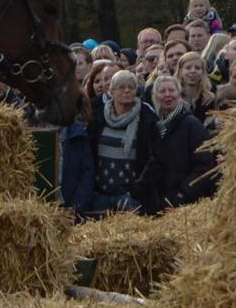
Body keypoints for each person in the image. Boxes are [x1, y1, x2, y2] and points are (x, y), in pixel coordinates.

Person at [133, 75, 217, 215]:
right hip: (157, 201)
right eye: (162, 91)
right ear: (155, 96)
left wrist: (183, 193)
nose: (167, 95)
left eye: (171, 90)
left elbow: (205, 164)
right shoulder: (153, 124)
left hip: (183, 202)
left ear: (179, 94)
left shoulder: (192, 124)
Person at [88, 69, 157, 213]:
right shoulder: (98, 116)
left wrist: (137, 189)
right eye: (121, 87)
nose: (127, 91)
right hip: (100, 195)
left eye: (131, 87)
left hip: (131, 196)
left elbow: (155, 158)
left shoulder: (146, 117)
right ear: (110, 91)